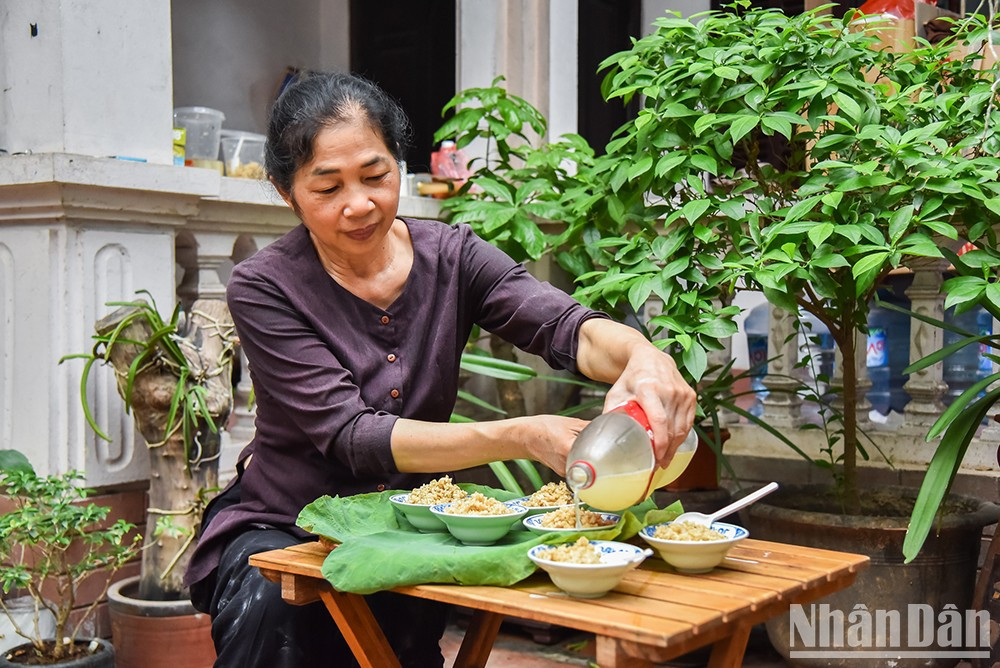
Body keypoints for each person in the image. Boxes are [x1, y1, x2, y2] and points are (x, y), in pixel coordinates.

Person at [184, 71, 696, 668]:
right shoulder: (263, 286)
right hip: (287, 523)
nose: (359, 204)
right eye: (328, 188)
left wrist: (644, 356)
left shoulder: (452, 255)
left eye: (376, 176)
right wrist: (524, 435)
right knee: (276, 614)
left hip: (411, 527)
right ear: (284, 191)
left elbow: (564, 327)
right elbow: (353, 435)